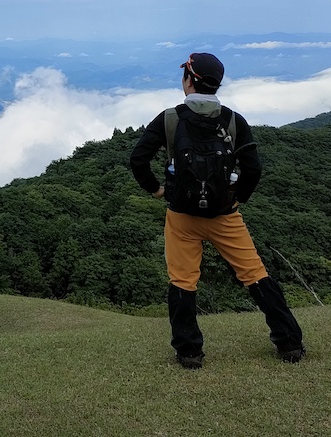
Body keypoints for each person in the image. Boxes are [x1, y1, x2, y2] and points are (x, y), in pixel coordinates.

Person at [129, 52, 305, 369]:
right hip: (225, 216)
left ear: (188, 80)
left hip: (181, 217)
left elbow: (137, 159)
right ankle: (289, 343)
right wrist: (238, 198)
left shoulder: (170, 118)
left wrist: (157, 190)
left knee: (183, 281)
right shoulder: (234, 120)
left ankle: (189, 352)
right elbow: (253, 169)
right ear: (216, 85)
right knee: (255, 275)